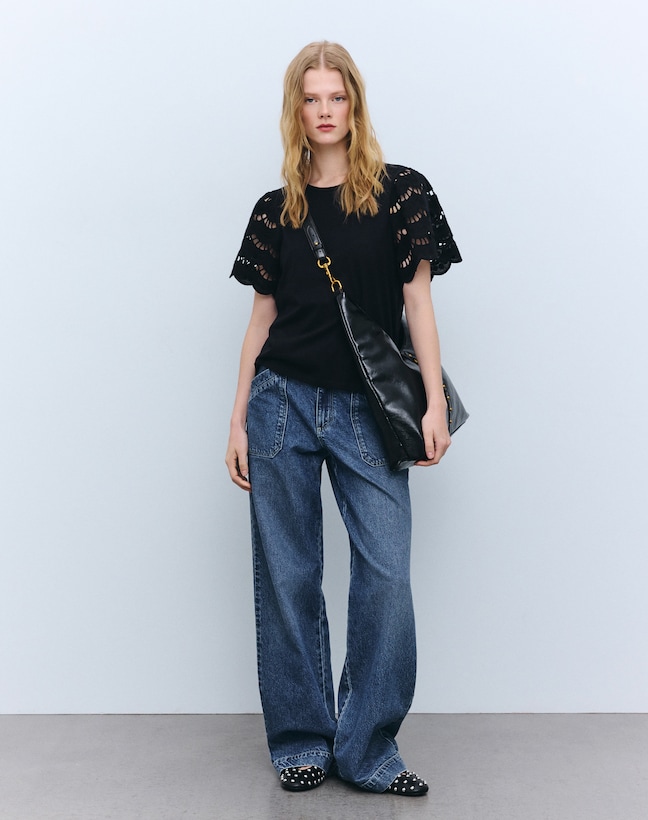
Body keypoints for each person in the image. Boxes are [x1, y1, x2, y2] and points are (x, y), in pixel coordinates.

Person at [225, 40, 461, 796]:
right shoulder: (276, 210)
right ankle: (301, 741)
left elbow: (418, 302)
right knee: (288, 578)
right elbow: (261, 319)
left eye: (336, 97)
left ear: (354, 104)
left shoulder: (403, 193)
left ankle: (368, 750)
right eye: (311, 99)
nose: (324, 111)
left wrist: (432, 401)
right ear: (295, 111)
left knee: (385, 577)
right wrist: (236, 419)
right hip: (281, 405)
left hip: (368, 410)